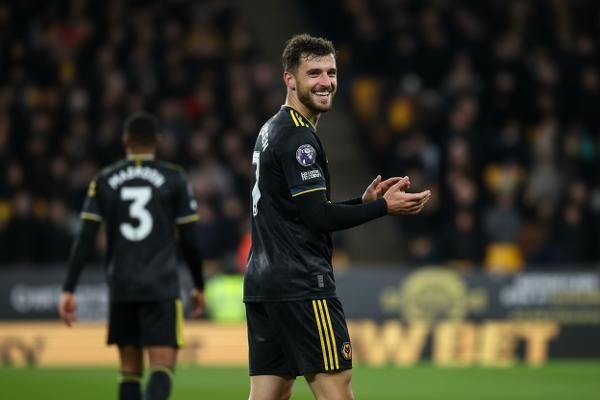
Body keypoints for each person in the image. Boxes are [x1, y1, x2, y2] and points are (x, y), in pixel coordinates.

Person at [244, 34, 432, 400]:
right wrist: (383, 207)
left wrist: (361, 201)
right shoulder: (299, 138)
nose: (326, 82)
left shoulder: (272, 129)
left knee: (268, 394)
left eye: (331, 72)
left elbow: (299, 210)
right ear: (289, 80)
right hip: (302, 285)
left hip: (265, 285)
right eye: (314, 73)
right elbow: (318, 217)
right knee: (336, 390)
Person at [58, 112, 206, 400]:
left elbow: (85, 238)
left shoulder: (104, 179)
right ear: (158, 141)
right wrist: (199, 285)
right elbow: (190, 240)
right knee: (162, 367)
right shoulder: (174, 178)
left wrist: (68, 288)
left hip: (122, 285)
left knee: (129, 371)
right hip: (161, 286)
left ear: (125, 141)